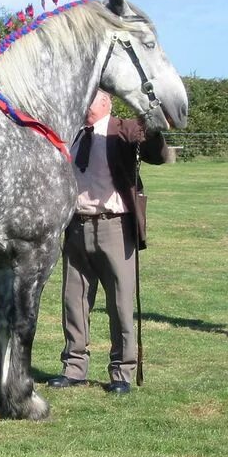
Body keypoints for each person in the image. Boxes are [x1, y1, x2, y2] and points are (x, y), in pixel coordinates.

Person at [48, 89, 169, 394]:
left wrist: (153, 125)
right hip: (75, 226)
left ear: (106, 103)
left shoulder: (123, 130)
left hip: (114, 226)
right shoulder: (72, 132)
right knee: (73, 302)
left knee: (120, 303)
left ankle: (122, 373)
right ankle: (74, 367)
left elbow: (157, 154)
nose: (84, 99)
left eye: (92, 95)